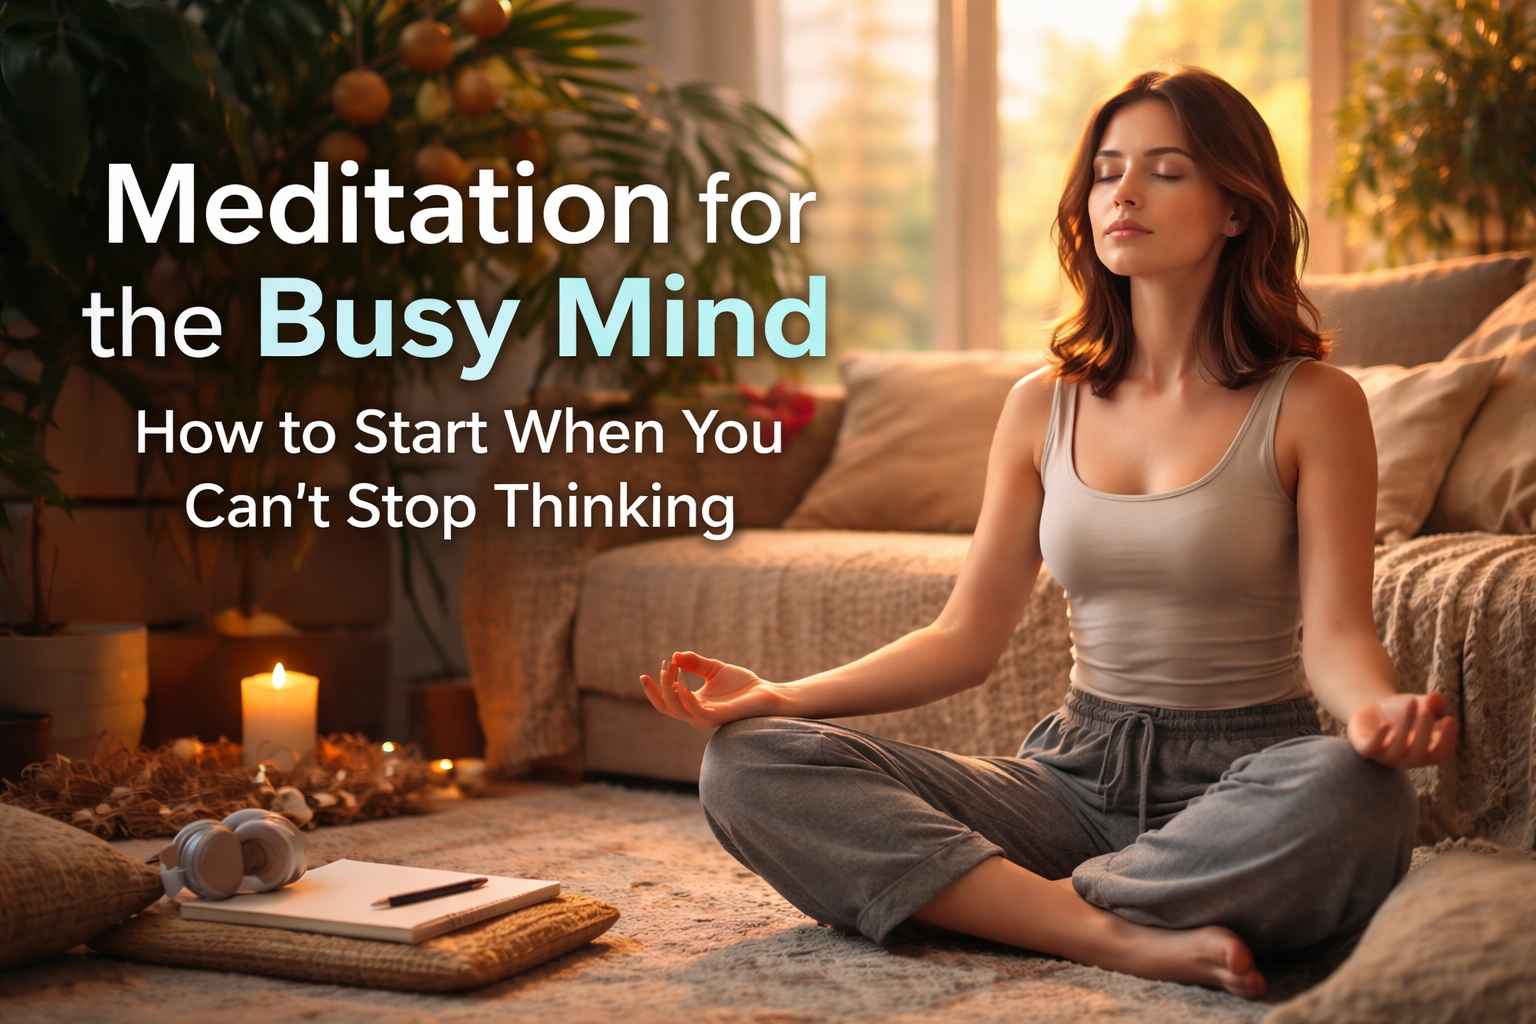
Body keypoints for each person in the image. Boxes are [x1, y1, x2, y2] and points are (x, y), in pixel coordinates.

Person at [637, 65, 1457, 1001]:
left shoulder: (1314, 403)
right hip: (1070, 778)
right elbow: (963, 638)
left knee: (1360, 798)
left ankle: (1008, 907)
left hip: (1243, 775)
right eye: (1108, 172)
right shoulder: (1041, 406)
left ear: (1237, 208)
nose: (1126, 194)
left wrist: (1372, 715)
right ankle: (1112, 932)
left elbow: (1341, 636)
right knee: (747, 766)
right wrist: (780, 697)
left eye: (1167, 171)